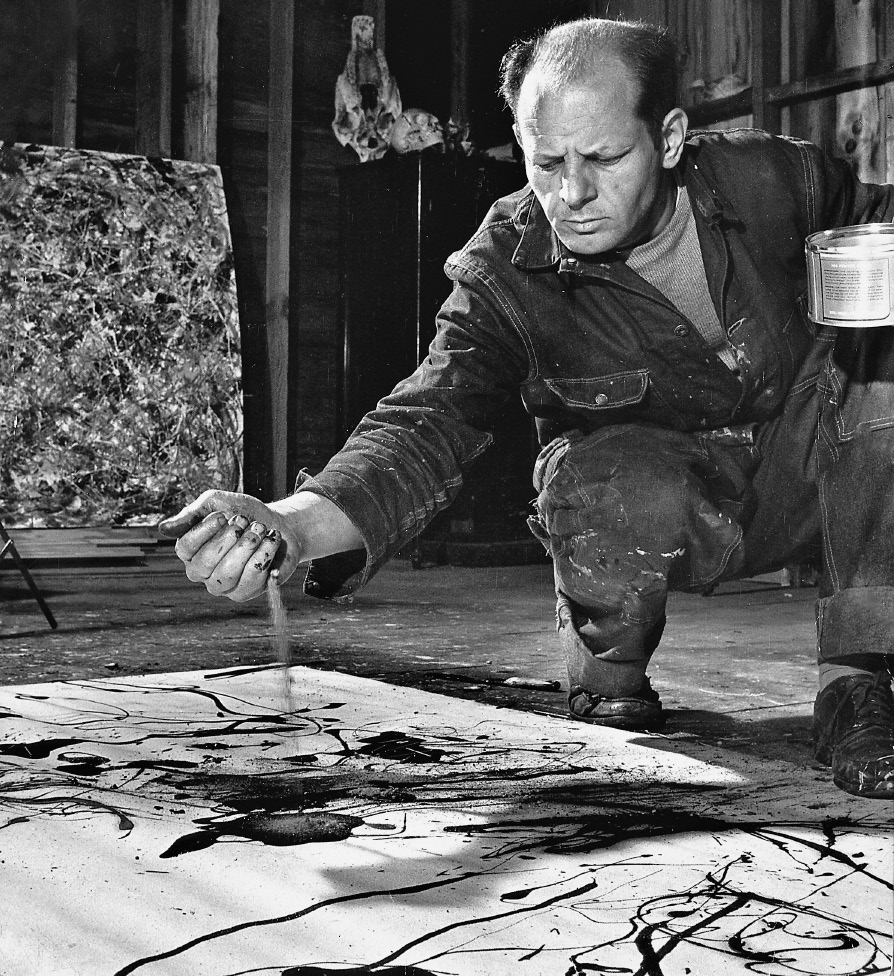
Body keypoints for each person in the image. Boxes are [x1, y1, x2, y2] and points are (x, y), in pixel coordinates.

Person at [159, 17, 894, 800]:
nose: (571, 196)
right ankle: (607, 669)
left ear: (671, 138)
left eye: (604, 159)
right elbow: (425, 419)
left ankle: (857, 679)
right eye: (545, 162)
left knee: (884, 375)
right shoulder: (505, 265)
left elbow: (880, 220)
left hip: (807, 476)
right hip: (649, 507)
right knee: (609, 476)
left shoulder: (778, 181)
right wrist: (293, 526)